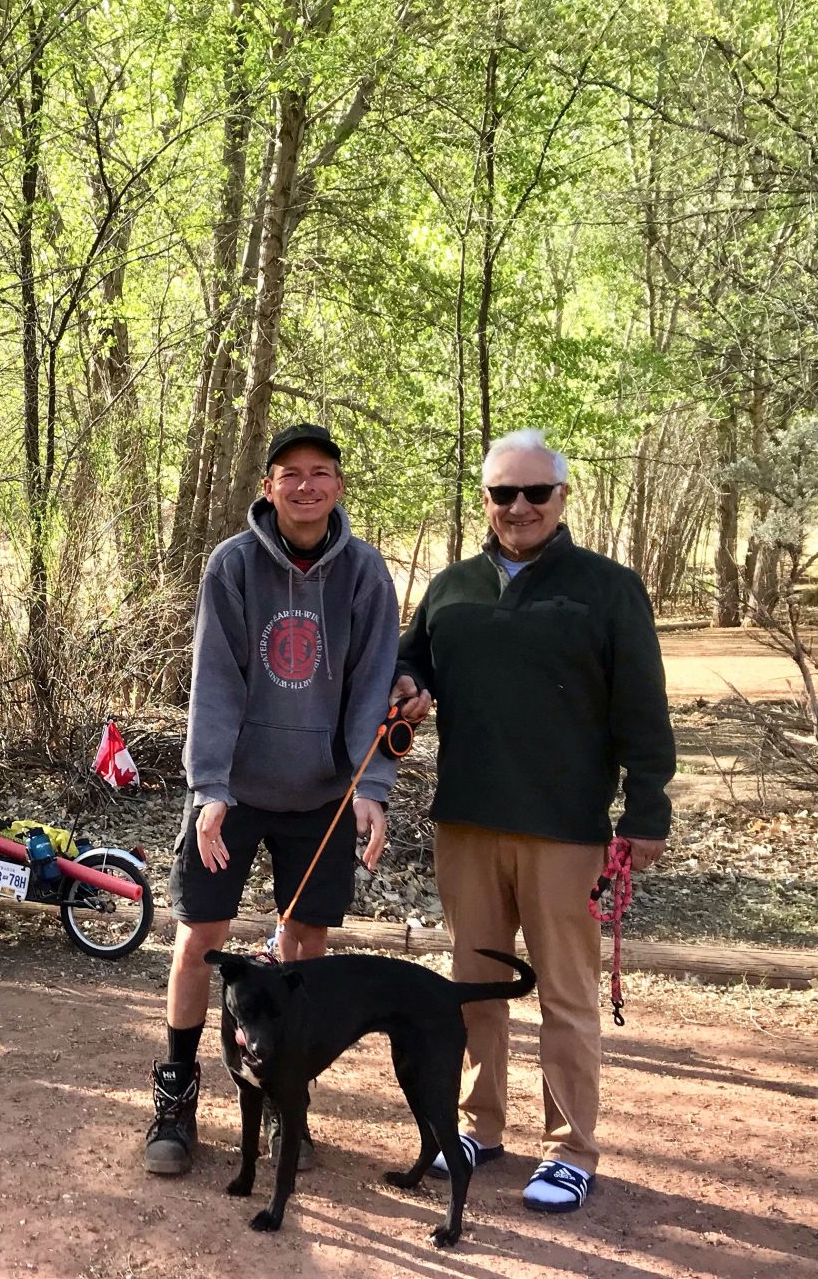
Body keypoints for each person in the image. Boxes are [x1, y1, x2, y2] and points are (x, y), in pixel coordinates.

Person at [392, 427, 675, 1214]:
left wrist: (647, 807)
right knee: (475, 987)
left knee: (566, 993)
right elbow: (413, 661)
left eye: (534, 493)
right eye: (501, 493)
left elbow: (643, 711)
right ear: (484, 500)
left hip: (567, 829)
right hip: (469, 823)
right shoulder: (452, 586)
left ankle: (570, 1148)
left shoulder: (609, 589)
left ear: (561, 497)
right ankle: (478, 1126)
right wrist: (409, 681)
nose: (518, 507)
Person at [144, 423, 402, 1175]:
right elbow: (215, 683)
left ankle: (291, 1099)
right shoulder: (231, 565)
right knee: (199, 937)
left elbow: (370, 687)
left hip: (321, 794)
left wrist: (370, 788)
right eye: (291, 473)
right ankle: (177, 1094)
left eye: (321, 472)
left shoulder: (364, 573)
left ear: (339, 487)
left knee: (305, 950)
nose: (307, 485)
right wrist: (211, 789)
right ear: (269, 487)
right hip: (236, 789)